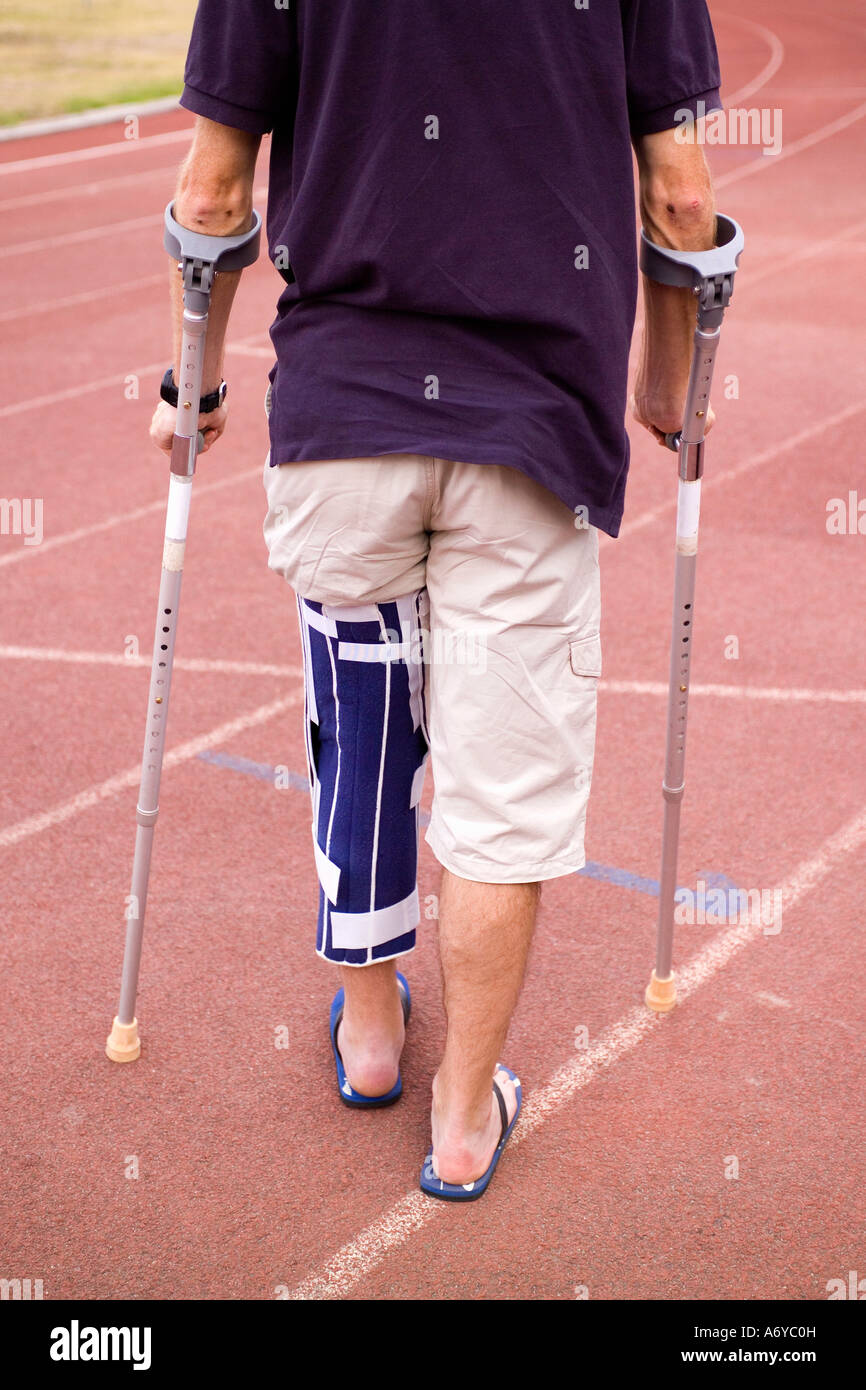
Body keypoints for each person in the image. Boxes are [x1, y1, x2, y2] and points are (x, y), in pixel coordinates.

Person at [151, 0, 722, 1201]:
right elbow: (678, 194)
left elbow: (212, 192)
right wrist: (666, 382)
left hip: (343, 416)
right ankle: (461, 1119)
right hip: (533, 424)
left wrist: (191, 390)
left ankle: (369, 1035)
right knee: (500, 794)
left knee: (359, 734)